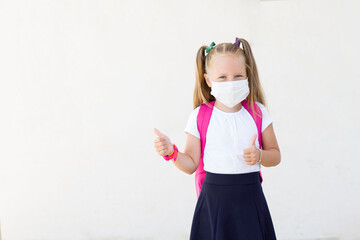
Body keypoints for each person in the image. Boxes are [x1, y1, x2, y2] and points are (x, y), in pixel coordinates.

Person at [153, 37, 281, 239]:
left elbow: (275, 156)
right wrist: (171, 152)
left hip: (250, 199)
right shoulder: (199, 115)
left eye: (238, 75)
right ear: (207, 79)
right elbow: (191, 165)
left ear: (247, 75)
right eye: (222, 77)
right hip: (214, 203)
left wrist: (259, 155)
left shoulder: (258, 112)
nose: (231, 82)